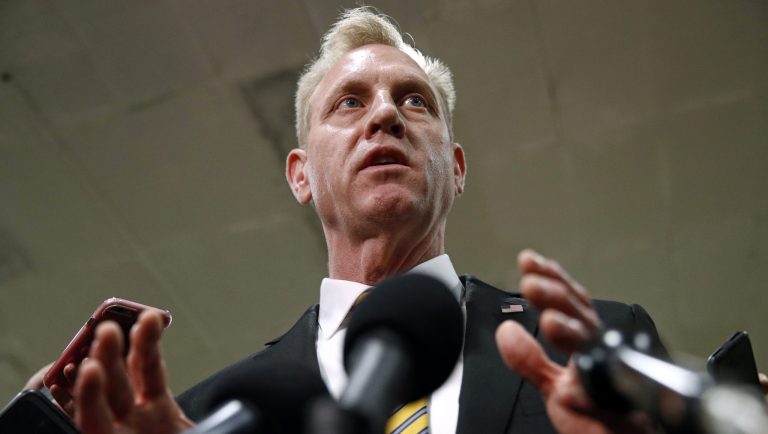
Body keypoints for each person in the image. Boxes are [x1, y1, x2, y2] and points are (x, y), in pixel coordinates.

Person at [30, 7, 673, 434]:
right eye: (350, 103)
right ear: (301, 175)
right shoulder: (211, 417)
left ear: (456, 167)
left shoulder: (598, 346)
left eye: (413, 101)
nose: (385, 116)